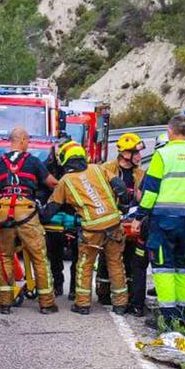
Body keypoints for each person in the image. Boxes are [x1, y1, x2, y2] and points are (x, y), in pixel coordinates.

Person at [139, 115, 185, 328]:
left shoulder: (162, 154)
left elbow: (151, 190)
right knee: (184, 268)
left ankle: (168, 319)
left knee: (163, 268)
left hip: (163, 220)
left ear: (170, 131)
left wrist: (139, 214)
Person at [42, 144, 128, 315]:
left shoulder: (66, 181)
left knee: (85, 265)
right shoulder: (98, 169)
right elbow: (121, 188)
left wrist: (39, 214)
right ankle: (120, 304)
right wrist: (124, 208)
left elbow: (52, 209)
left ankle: (82, 304)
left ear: (64, 159)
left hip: (92, 229)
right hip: (114, 224)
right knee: (116, 264)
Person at [0, 126, 58, 315]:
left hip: (3, 214)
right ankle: (46, 303)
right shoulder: (33, 162)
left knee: (4, 258)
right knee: (39, 258)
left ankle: (4, 303)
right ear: (22, 140)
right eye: (27, 141)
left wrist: (0, 206)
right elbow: (52, 183)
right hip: (26, 213)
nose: (28, 144)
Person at [99, 132, 148, 317]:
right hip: (111, 220)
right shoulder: (106, 169)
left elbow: (142, 197)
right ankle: (104, 293)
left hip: (131, 221)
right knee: (107, 259)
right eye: (136, 153)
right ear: (126, 154)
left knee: (130, 259)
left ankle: (126, 294)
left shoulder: (140, 173)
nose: (139, 156)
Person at [44, 139, 80, 298]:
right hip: (55, 215)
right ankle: (57, 284)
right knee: (54, 254)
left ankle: (74, 288)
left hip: (75, 215)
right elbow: (42, 190)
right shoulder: (47, 168)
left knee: (78, 256)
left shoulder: (79, 166)